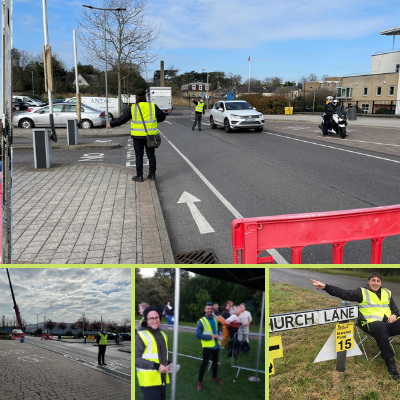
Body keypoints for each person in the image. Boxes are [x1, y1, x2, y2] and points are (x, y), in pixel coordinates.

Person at [310, 272, 400, 380]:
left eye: (378, 281)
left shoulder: (387, 292)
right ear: (369, 282)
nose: (376, 283)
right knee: (380, 326)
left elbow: (394, 308)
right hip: (371, 324)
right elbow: (344, 293)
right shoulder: (361, 292)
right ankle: (390, 362)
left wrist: (394, 315)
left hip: (390, 322)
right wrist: (325, 287)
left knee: (385, 325)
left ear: (381, 282)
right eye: (373, 280)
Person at [106, 88, 166, 182]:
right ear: (145, 96)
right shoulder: (152, 106)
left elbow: (122, 119)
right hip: (150, 136)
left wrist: (111, 124)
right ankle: (152, 175)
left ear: (136, 97)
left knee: (139, 156)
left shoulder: (132, 108)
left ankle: (139, 176)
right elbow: (163, 116)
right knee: (151, 155)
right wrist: (155, 120)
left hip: (137, 136)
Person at [135, 306, 171, 400]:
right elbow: (135, 359)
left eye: (157, 317)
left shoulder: (163, 334)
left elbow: (162, 354)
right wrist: (157, 366)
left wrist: (168, 362)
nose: (155, 320)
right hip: (149, 381)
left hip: (161, 378)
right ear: (146, 320)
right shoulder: (141, 336)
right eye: (151, 318)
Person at [195, 302, 224, 391]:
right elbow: (198, 335)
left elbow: (217, 330)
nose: (209, 310)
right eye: (208, 309)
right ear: (205, 310)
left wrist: (219, 335)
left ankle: (214, 377)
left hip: (216, 345)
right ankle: (199, 382)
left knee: (215, 362)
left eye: (211, 309)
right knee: (204, 364)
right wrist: (212, 336)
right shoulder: (201, 321)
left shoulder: (215, 320)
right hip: (207, 346)